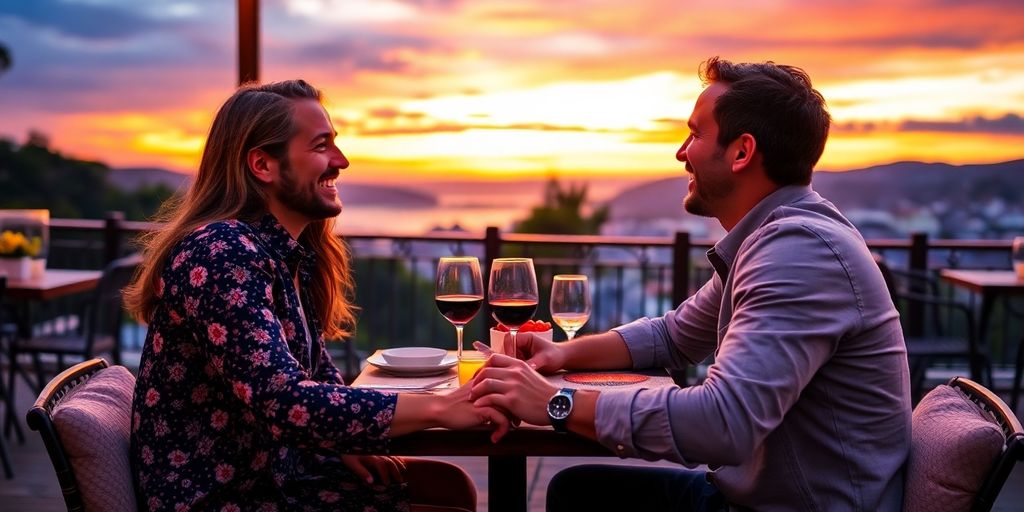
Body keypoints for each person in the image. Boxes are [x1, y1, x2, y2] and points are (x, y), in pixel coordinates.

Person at [472, 57, 911, 511]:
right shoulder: (774, 237)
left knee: (581, 495)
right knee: (578, 491)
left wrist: (555, 402)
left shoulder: (798, 251)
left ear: (741, 152)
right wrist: (563, 353)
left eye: (696, 134)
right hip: (759, 495)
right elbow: (673, 336)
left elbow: (723, 423)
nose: (682, 152)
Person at [124, 79, 508, 512]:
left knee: (447, 486)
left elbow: (318, 378)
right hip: (228, 497)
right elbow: (282, 399)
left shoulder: (284, 253)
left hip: (282, 474)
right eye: (321, 146)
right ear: (263, 165)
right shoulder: (221, 253)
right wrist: (438, 409)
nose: (340, 161)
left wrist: (346, 437)